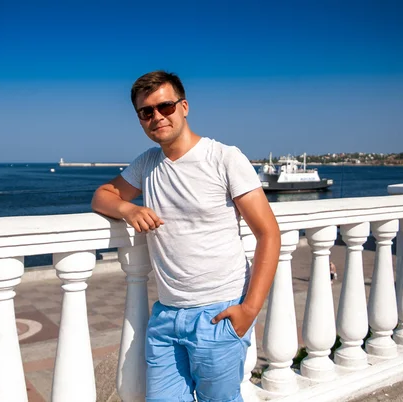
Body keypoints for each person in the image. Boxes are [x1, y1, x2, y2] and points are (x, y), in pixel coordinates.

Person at [91, 71, 281, 402]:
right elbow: (101, 196)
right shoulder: (147, 164)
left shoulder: (223, 158)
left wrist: (250, 309)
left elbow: (268, 233)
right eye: (146, 112)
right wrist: (129, 209)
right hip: (166, 316)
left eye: (164, 106)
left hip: (219, 312)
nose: (157, 117)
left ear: (184, 107)